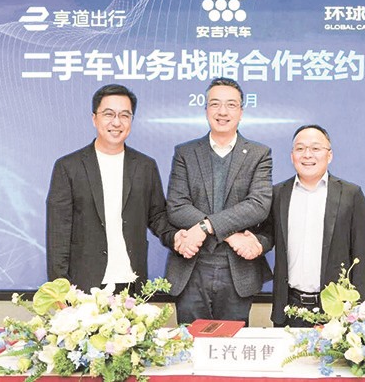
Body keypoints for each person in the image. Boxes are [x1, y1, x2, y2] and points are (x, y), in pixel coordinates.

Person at [46, 84, 181, 294]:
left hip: (130, 282)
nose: (116, 122)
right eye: (108, 114)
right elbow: (58, 234)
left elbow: (157, 216)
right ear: (94, 118)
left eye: (124, 115)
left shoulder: (145, 166)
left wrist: (178, 238)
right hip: (83, 286)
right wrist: (59, 289)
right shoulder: (68, 167)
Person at [164, 77, 273, 325]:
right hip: (192, 267)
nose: (222, 112)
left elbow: (258, 206)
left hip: (237, 271)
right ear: (206, 109)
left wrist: (205, 226)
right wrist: (232, 236)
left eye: (231, 105)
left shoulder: (259, 154)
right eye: (215, 104)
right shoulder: (185, 152)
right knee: (190, 344)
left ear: (241, 111)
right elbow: (177, 207)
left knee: (233, 345)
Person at [265, 124, 365, 327]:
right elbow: (266, 236)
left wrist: (358, 312)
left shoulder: (351, 195)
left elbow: (363, 259)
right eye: (300, 148)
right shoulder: (278, 194)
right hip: (289, 309)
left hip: (337, 311)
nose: (307, 155)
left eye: (315, 148)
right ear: (292, 156)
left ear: (329, 155)